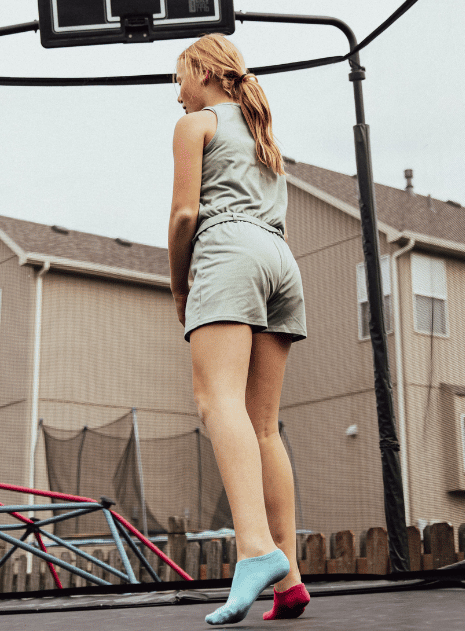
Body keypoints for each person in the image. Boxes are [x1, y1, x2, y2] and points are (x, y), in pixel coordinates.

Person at [168, 34, 311, 624]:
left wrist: (180, 285)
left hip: (228, 251)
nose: (176, 94)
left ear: (203, 72)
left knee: (214, 399)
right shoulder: (262, 135)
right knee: (263, 427)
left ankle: (255, 547)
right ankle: (291, 580)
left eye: (178, 78)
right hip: (280, 260)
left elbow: (184, 214)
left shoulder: (197, 125)